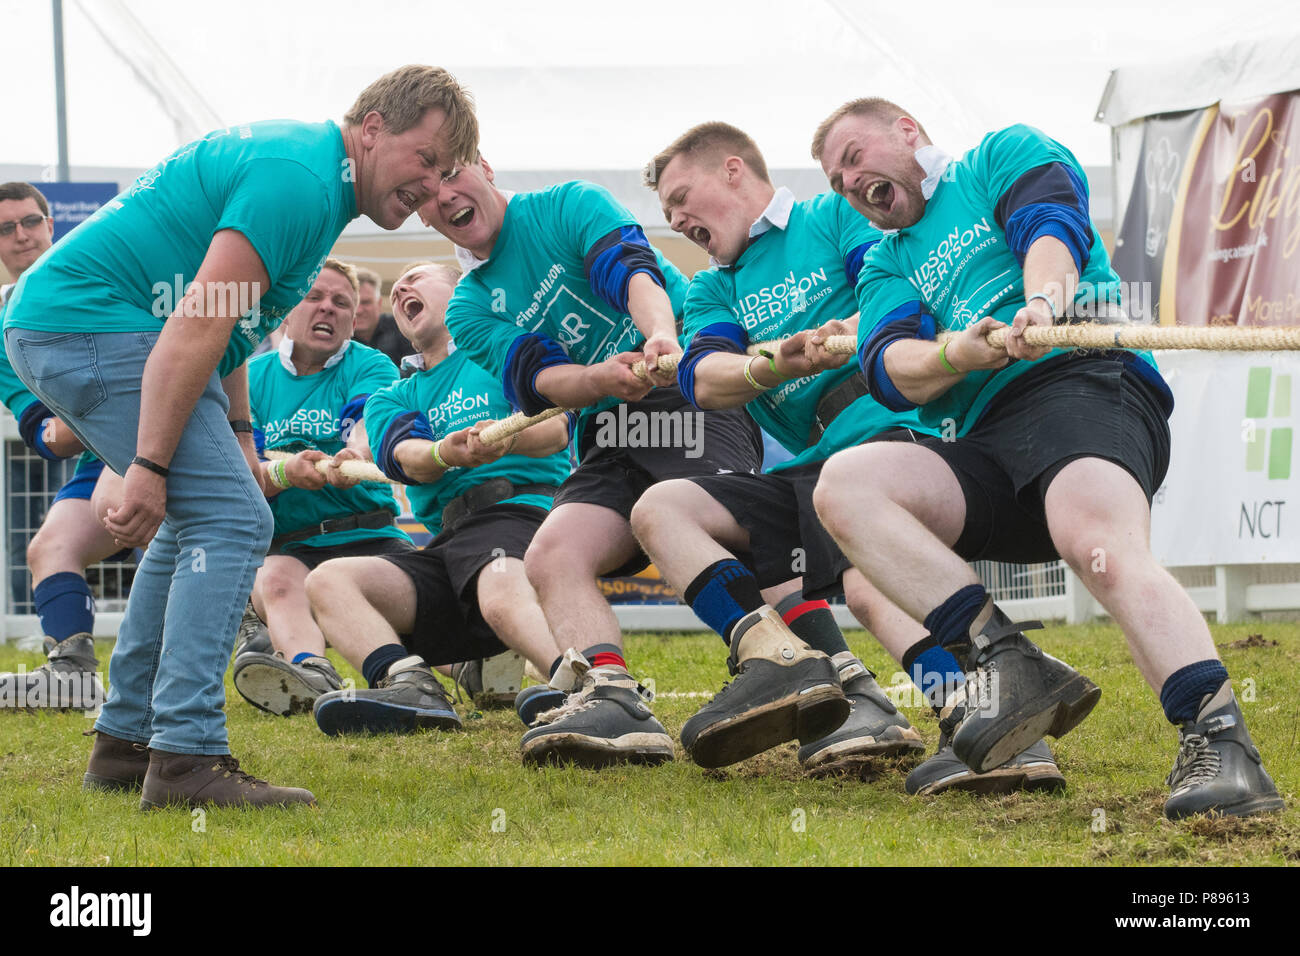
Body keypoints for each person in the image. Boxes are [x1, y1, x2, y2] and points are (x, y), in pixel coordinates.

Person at [2, 65, 480, 809]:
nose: (431, 188)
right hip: (90, 325)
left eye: (447, 172)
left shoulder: (313, 182)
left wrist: (242, 441)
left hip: (84, 324)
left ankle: (127, 741)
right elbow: (197, 321)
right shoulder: (300, 181)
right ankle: (185, 757)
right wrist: (151, 466)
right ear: (375, 127)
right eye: (426, 160)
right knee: (231, 519)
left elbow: (230, 333)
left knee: (207, 515)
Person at [809, 97, 1283, 818]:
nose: (849, 185)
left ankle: (1221, 740)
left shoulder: (998, 156)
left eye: (853, 159)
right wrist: (953, 353)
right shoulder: (886, 261)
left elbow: (1051, 223)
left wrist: (1042, 305)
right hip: (985, 437)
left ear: (907, 130)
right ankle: (1006, 657)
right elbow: (888, 367)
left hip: (1084, 382)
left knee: (1099, 545)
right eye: (837, 184)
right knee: (845, 484)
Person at [633, 123, 1064, 791]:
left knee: (868, 577)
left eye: (683, 197)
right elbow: (704, 380)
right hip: (809, 461)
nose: (677, 218)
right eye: (666, 213)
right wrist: (773, 363)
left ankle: (989, 720)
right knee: (662, 509)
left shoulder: (833, 216)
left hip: (890, 430)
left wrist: (850, 334)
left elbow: (905, 300)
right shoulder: (712, 290)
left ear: (733, 172)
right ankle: (782, 663)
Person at [431, 154, 764, 768]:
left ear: (483, 165)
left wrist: (660, 334)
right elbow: (542, 376)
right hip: (604, 425)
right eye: (424, 194)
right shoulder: (467, 308)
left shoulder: (567, 204)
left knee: (735, 527)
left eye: (452, 175)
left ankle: (819, 672)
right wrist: (598, 378)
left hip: (684, 384)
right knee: (552, 555)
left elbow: (631, 272)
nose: (443, 197)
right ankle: (614, 697)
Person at [307, 262, 573, 735]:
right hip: (449, 544)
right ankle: (411, 688)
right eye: (396, 287)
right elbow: (404, 457)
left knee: (497, 585)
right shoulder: (392, 396)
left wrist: (507, 441)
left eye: (416, 276)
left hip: (521, 515)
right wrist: (442, 452)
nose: (400, 288)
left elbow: (555, 429)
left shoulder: (503, 353)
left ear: (461, 293)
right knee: (328, 581)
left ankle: (577, 687)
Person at [231, 258, 414, 717]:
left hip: (369, 537)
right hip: (292, 546)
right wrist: (284, 474)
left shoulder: (371, 364)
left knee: (428, 620)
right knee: (272, 577)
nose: (327, 309)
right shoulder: (250, 378)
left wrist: (355, 453)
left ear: (354, 321)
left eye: (341, 304)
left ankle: (478, 669)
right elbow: (239, 473)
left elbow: (367, 422)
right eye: (314, 297)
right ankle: (310, 672)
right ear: (286, 312)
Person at [0, 182, 123, 711]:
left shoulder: (105, 279)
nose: (21, 235)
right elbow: (47, 437)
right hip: (107, 451)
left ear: (52, 226)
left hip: (183, 435)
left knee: (184, 534)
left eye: (30, 221)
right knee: (47, 548)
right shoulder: (4, 327)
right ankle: (72, 673)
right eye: (5, 229)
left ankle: (259, 635)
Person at [352, 266, 413, 367]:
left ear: (379, 303)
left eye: (366, 302)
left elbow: (416, 368)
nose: (358, 310)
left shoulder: (402, 327)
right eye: (354, 303)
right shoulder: (338, 338)